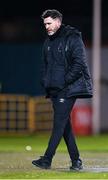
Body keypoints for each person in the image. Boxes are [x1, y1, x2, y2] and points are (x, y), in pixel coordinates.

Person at [32, 9, 93, 171]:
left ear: (58, 22)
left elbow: (79, 63)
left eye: (49, 23)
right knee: (65, 127)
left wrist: (64, 81)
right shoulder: (49, 41)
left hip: (67, 89)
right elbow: (45, 65)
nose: (47, 26)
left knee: (58, 125)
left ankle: (47, 159)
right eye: (45, 24)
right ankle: (76, 161)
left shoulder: (73, 38)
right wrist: (46, 81)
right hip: (54, 90)